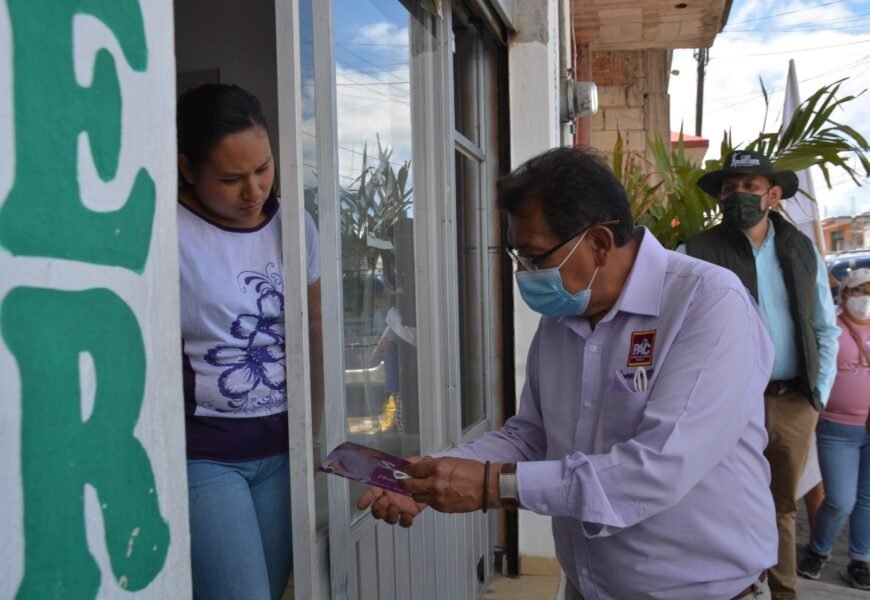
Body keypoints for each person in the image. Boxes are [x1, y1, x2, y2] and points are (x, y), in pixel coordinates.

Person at [358, 146, 778, 599]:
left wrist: (491, 487)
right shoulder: (564, 316)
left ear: (598, 242)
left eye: (535, 258)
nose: (524, 274)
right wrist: (434, 473)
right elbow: (531, 435)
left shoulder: (707, 303)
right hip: (588, 587)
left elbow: (657, 468)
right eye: (517, 258)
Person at [176, 83, 322, 599]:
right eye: (232, 178)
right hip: (204, 459)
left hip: (282, 454)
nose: (254, 191)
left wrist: (314, 432)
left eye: (263, 168)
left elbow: (312, 329)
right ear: (188, 169)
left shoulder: (294, 226)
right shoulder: (164, 231)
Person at [680, 150, 840, 599]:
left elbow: (825, 327)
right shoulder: (693, 252)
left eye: (749, 187)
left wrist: (817, 395)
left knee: (782, 509)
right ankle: (731, 590)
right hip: (728, 401)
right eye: (729, 188)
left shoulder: (801, 249)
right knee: (721, 500)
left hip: (793, 402)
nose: (737, 196)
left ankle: (784, 592)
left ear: (772, 195)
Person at [797, 268, 870, 590]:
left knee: (867, 499)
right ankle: (818, 549)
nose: (865, 299)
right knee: (840, 498)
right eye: (859, 291)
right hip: (837, 427)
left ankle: (859, 559)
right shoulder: (832, 328)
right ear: (846, 295)